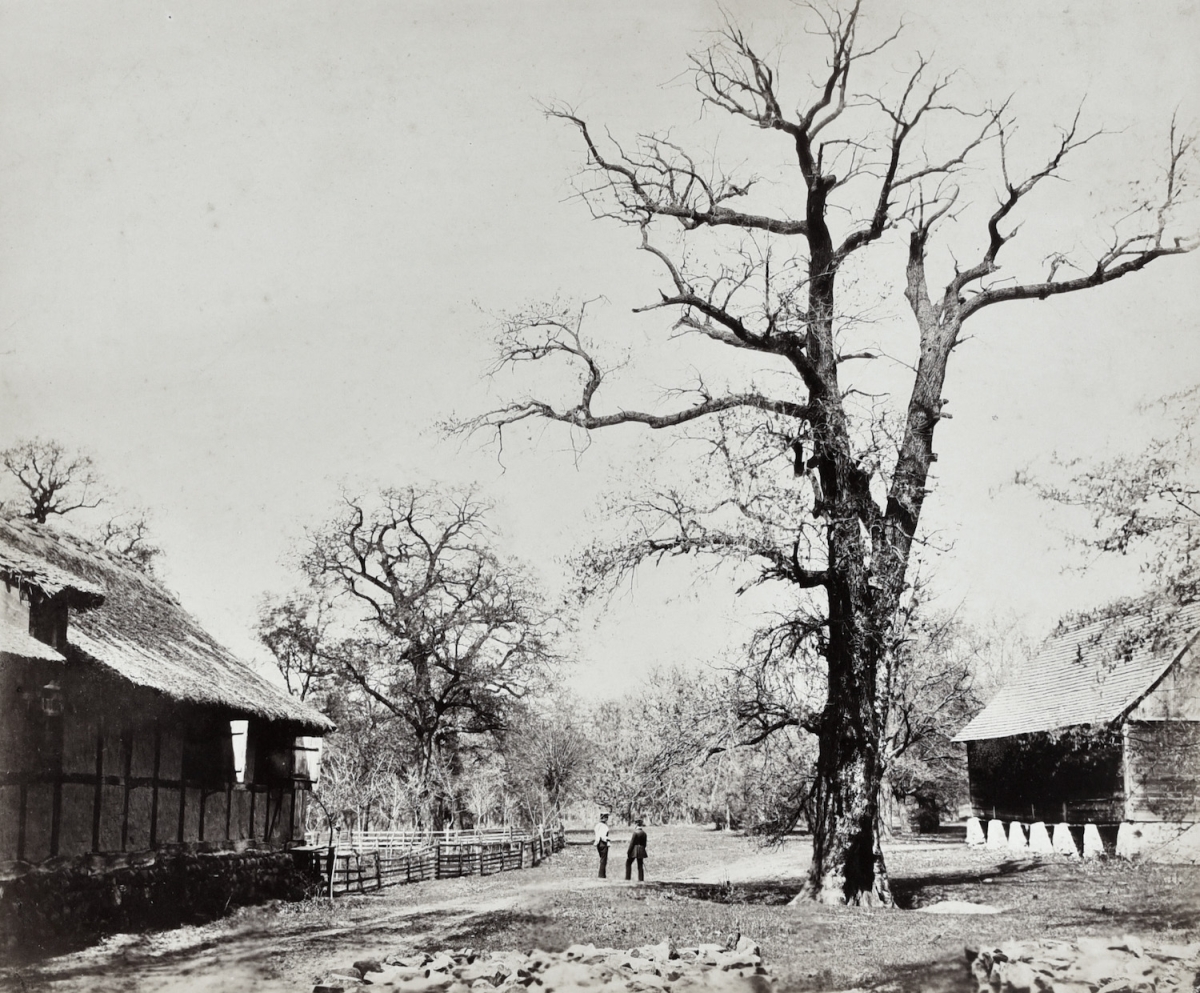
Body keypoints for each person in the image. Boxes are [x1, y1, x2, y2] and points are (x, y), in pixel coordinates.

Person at [593, 811, 610, 878]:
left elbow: (597, 835)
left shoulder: (597, 826)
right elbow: (603, 836)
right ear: (604, 818)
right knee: (603, 860)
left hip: (598, 843)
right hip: (603, 843)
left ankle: (603, 874)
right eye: (606, 817)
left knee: (602, 859)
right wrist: (607, 839)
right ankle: (601, 875)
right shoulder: (604, 826)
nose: (607, 819)